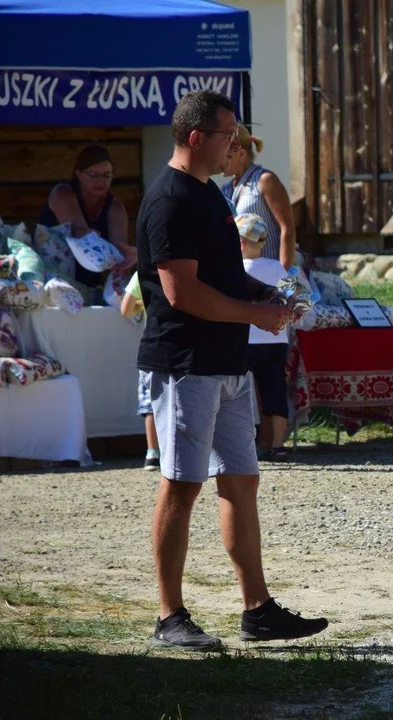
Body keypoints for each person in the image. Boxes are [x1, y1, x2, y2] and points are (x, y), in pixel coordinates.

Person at [137, 89, 327, 650]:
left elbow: (226, 274)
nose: (236, 145)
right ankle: (169, 616)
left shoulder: (210, 195)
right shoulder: (170, 199)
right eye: (229, 135)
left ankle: (257, 610)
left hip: (226, 363)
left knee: (241, 481)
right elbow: (182, 293)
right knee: (181, 486)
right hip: (186, 363)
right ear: (197, 137)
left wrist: (273, 295)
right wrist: (258, 313)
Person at [236, 213, 291, 461]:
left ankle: (249, 442)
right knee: (275, 390)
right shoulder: (276, 267)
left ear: (240, 242)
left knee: (241, 394)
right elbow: (301, 301)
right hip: (276, 341)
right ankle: (277, 444)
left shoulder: (236, 271)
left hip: (244, 340)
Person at [39, 143, 132, 287]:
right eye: (93, 174)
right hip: (52, 277)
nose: (100, 180)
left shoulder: (115, 207)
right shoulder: (62, 194)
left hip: (90, 278)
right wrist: (94, 238)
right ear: (79, 175)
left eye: (106, 175)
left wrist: (131, 256)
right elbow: (80, 232)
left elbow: (120, 252)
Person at [220, 126, 298, 269]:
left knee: (292, 291)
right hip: (248, 275)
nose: (220, 160)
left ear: (242, 155)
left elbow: (287, 229)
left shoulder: (265, 181)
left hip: (274, 270)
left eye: (227, 155)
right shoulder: (225, 190)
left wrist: (283, 274)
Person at [119, 272, 159, 471]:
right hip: (185, 343)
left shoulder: (142, 272)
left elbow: (125, 309)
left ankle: (152, 452)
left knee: (150, 398)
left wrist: (141, 306)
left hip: (153, 342)